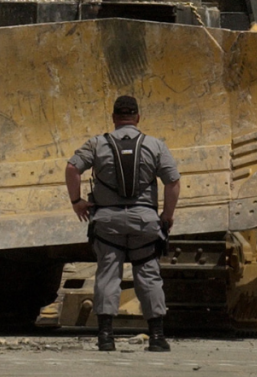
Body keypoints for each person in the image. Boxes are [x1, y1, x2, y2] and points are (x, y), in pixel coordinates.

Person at [65, 95, 181, 352]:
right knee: (149, 275)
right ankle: (157, 337)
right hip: (145, 222)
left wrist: (77, 201)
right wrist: (166, 216)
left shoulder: (97, 144)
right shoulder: (156, 145)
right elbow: (172, 182)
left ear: (114, 118)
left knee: (108, 274)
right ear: (138, 118)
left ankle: (106, 337)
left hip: (108, 222)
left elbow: (73, 168)